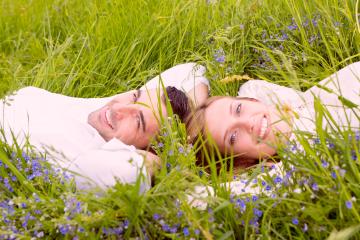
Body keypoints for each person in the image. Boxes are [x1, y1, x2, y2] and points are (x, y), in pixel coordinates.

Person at [0, 63, 209, 190]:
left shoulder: (87, 155)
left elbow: (128, 172)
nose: (119, 109)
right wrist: (194, 118)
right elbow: (191, 70)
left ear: (144, 149)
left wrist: (162, 160)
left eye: (138, 121)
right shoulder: (105, 109)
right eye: (136, 95)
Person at [186, 61, 360, 169]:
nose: (248, 123)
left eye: (238, 109)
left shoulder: (296, 101)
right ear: (243, 161)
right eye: (233, 137)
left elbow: (251, 87)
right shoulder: (294, 166)